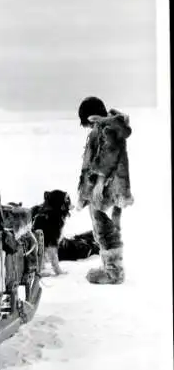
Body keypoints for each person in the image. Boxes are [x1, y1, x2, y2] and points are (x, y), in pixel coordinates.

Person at [77, 96, 134, 284]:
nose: (85, 126)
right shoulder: (106, 127)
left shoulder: (107, 127)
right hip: (107, 188)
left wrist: (100, 183)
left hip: (107, 189)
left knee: (105, 229)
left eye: (85, 121)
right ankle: (110, 267)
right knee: (106, 228)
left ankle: (113, 271)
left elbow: (108, 156)